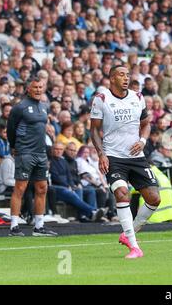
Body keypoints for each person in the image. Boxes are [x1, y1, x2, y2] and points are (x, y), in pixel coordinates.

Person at [90, 65, 161, 259]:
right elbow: (94, 129)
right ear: (111, 78)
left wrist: (143, 141)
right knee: (122, 194)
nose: (126, 78)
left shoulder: (138, 97)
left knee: (154, 198)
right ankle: (134, 246)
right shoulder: (101, 99)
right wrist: (101, 154)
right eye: (121, 74)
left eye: (128, 75)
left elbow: (146, 124)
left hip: (136, 157)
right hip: (113, 156)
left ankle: (129, 233)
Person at [6, 77, 58, 236]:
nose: (38, 89)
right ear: (28, 88)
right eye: (35, 87)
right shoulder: (19, 107)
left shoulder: (44, 107)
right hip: (25, 152)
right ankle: (14, 227)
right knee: (20, 188)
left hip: (41, 153)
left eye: (40, 87)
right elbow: (10, 130)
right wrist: (15, 147)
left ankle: (39, 226)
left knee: (42, 188)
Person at [49, 142, 105, 222]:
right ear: (52, 150)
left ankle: (89, 215)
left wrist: (72, 185)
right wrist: (68, 185)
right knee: (70, 192)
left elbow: (69, 176)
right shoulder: (50, 161)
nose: (58, 151)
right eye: (56, 149)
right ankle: (92, 211)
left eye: (60, 149)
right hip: (56, 187)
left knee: (88, 190)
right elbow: (55, 177)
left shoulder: (63, 161)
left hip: (66, 187)